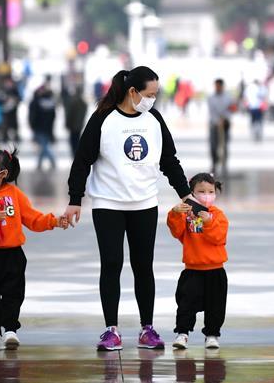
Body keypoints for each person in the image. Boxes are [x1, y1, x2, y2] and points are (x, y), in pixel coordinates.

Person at [64, 66, 191, 352]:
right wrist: (75, 199)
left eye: (156, 94)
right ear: (132, 92)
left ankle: (147, 329)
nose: (153, 100)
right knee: (111, 264)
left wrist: (187, 195)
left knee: (143, 266)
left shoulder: (154, 119)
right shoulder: (103, 119)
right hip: (108, 204)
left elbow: (169, 160)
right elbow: (82, 160)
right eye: (149, 94)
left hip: (144, 204)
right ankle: (111, 330)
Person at [0, 147, 69, 351]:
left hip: (12, 255)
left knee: (13, 294)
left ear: (3, 173)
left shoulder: (15, 194)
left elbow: (32, 218)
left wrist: (54, 221)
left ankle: (10, 330)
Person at [168, 173, 229, 351]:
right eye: (201, 191)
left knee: (215, 305)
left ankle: (212, 335)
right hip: (192, 269)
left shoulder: (218, 215)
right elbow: (177, 232)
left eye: (210, 191)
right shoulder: (188, 214)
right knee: (186, 303)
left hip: (215, 270)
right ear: (192, 193)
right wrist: (175, 214)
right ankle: (182, 333)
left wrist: (209, 222)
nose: (206, 195)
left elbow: (219, 238)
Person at [206, 79, 235, 176]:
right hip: (214, 125)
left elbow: (231, 109)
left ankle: (224, 165)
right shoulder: (211, 98)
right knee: (213, 145)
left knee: (224, 145)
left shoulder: (228, 97)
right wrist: (217, 121)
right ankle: (214, 164)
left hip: (225, 124)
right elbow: (212, 112)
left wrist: (225, 119)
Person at [29, 76, 57, 171]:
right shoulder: (50, 103)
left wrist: (32, 125)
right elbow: (53, 117)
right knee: (43, 145)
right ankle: (40, 163)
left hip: (39, 127)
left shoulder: (36, 102)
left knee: (44, 146)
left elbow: (33, 116)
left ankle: (52, 161)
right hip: (47, 128)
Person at [62, 82, 88, 159]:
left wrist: (67, 123)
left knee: (73, 141)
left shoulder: (73, 101)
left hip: (73, 125)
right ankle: (77, 155)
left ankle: (75, 155)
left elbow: (69, 114)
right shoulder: (83, 103)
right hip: (79, 125)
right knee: (77, 140)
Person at [0, 77, 22, 142]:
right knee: (5, 124)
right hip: (4, 110)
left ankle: (15, 136)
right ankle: (5, 137)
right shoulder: (1, 90)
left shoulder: (14, 90)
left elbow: (19, 99)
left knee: (14, 124)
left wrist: (14, 100)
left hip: (13, 111)